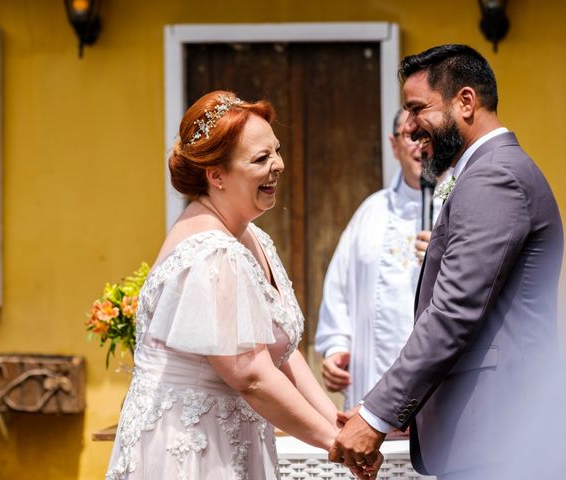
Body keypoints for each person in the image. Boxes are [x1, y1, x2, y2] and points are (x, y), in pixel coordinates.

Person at [329, 44, 564, 480]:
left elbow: (454, 312)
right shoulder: (488, 172)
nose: (413, 127)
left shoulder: (494, 177)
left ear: (467, 102)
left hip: (500, 441)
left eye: (419, 109)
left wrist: (378, 412)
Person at [106, 91, 340, 480]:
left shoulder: (252, 238)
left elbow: (279, 353)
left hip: (230, 442)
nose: (278, 166)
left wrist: (335, 420)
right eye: (261, 159)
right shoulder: (212, 253)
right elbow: (251, 374)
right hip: (192, 449)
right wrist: (333, 443)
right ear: (216, 176)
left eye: (276, 152)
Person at [315, 109, 442, 410]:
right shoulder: (371, 213)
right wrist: (336, 349)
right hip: (372, 382)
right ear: (394, 144)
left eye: (429, 136)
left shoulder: (460, 205)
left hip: (439, 389)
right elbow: (339, 288)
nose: (421, 146)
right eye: (413, 135)